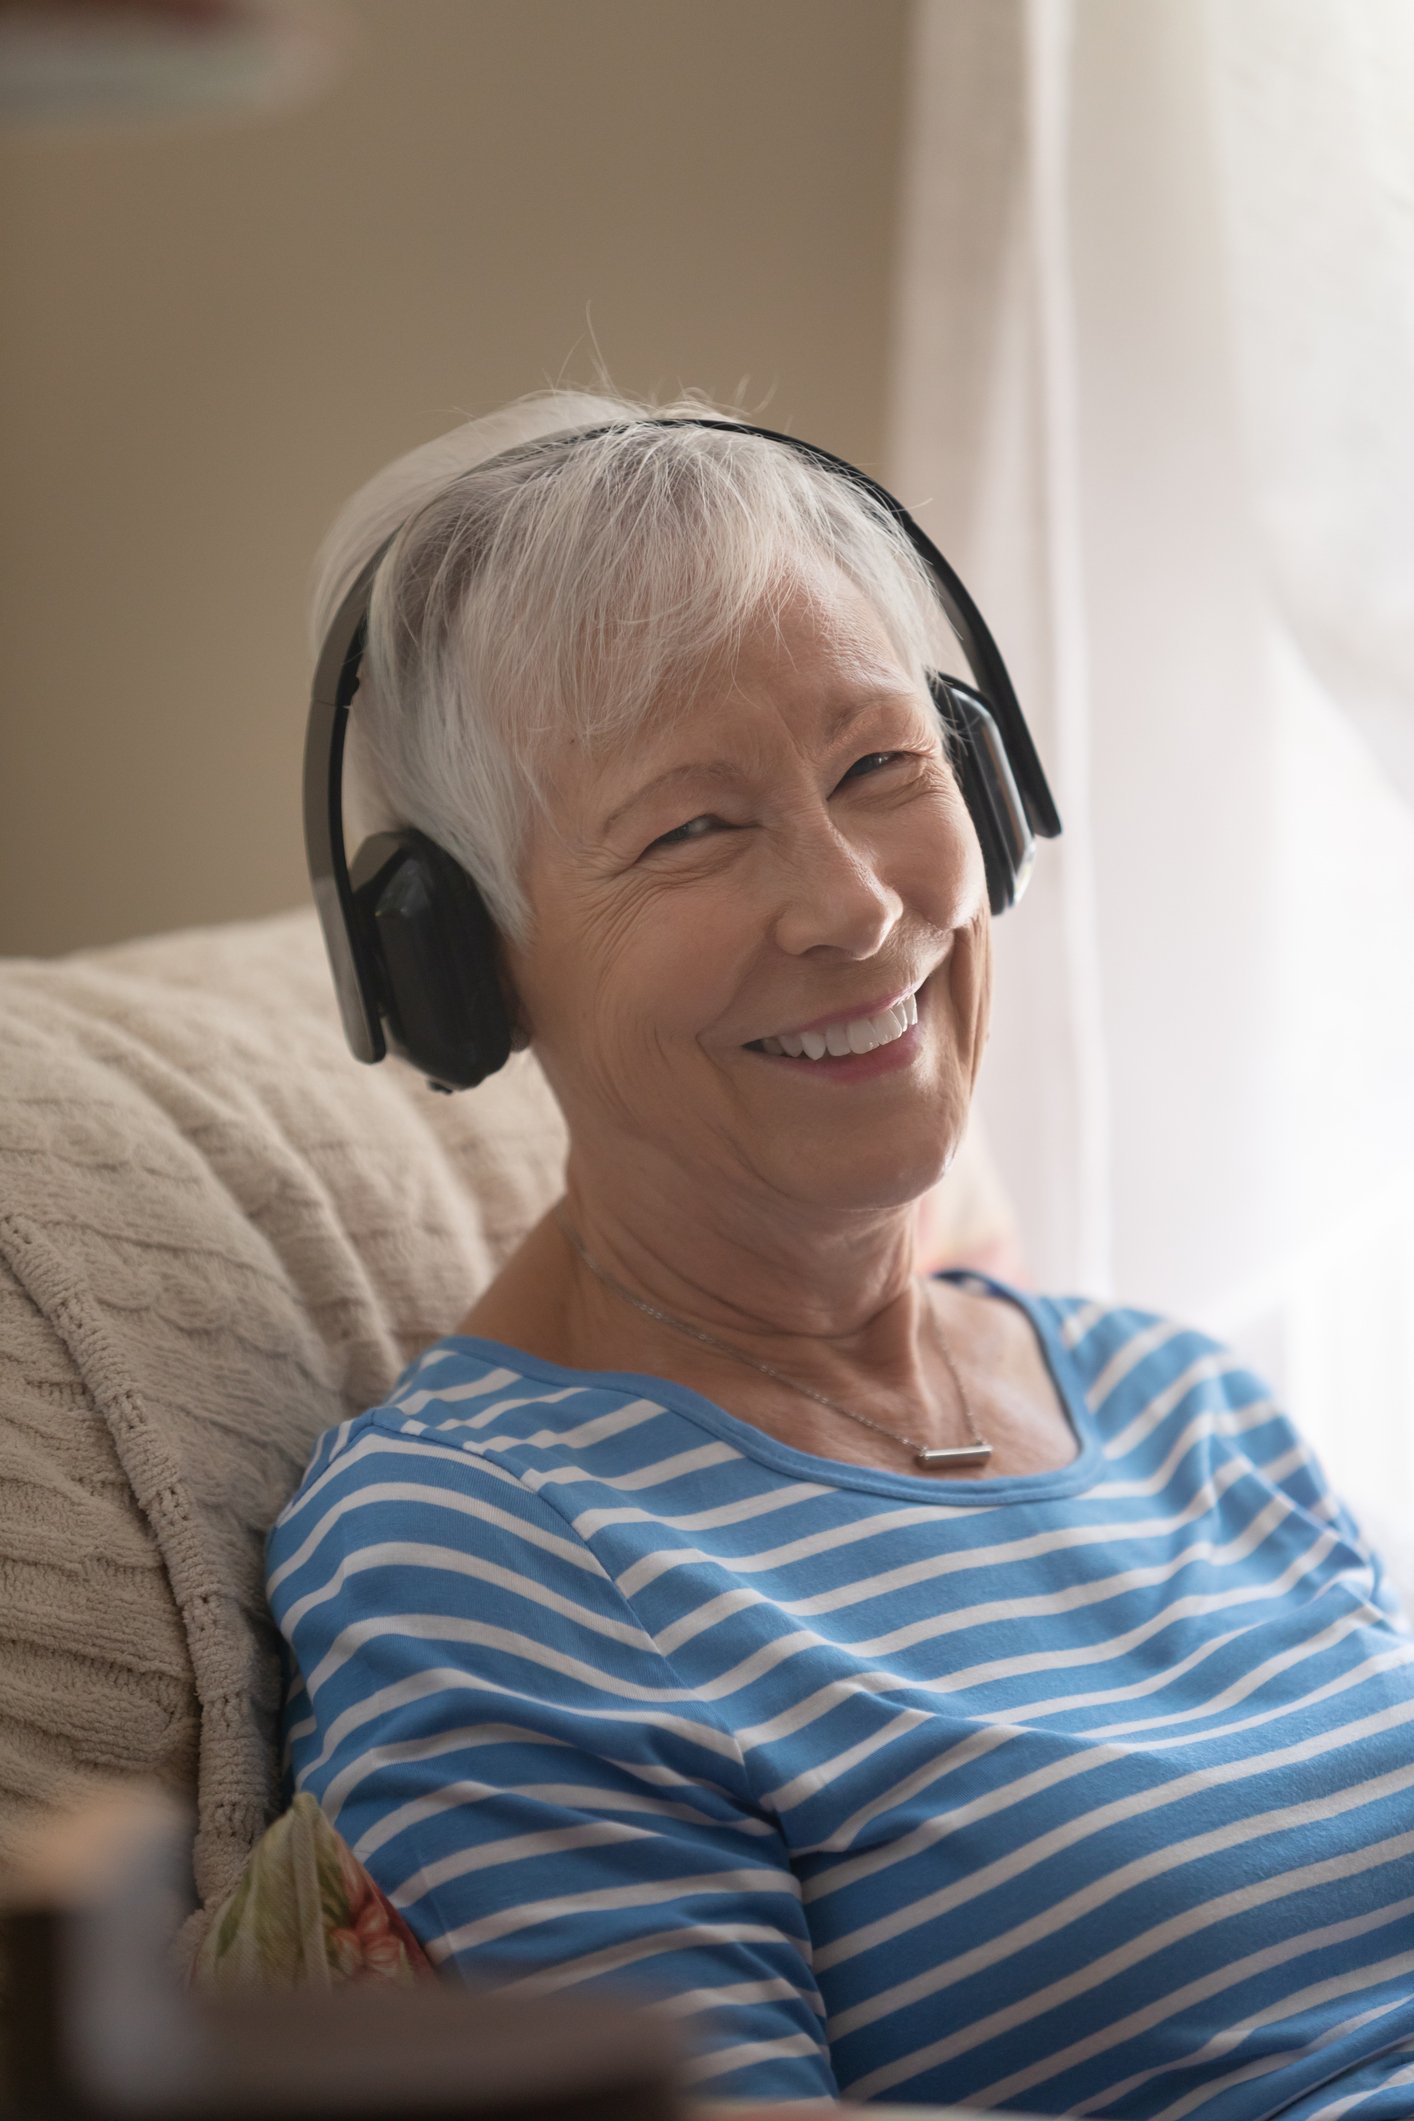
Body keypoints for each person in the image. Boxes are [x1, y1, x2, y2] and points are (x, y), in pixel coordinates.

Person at [269, 388, 1414, 2115]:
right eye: (691, 829)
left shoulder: (1174, 1396)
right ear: (463, 966)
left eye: (882, 766)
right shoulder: (486, 1548)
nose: (854, 905)